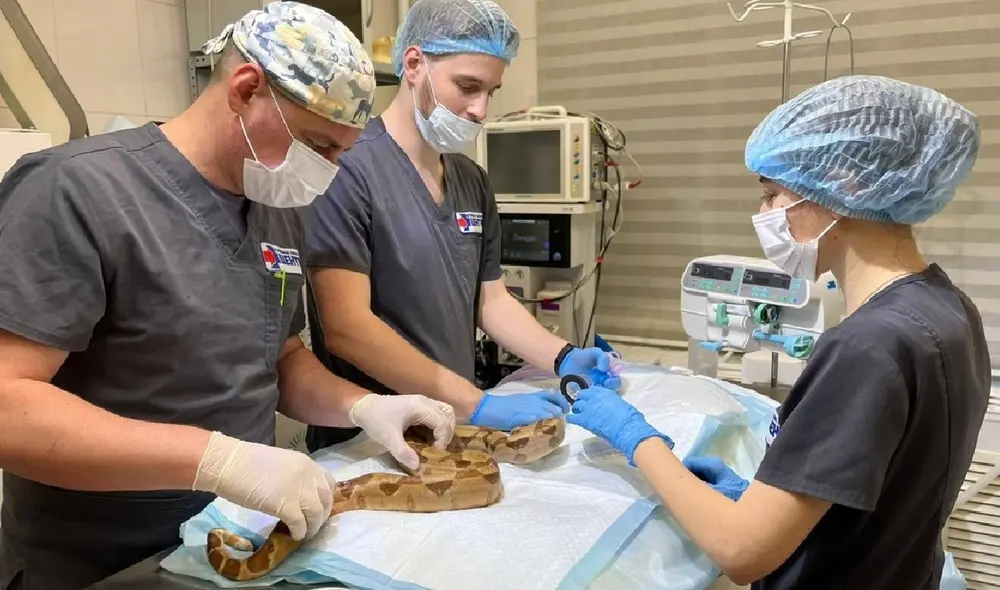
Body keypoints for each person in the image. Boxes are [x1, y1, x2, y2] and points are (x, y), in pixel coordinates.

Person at [0, 3, 457, 588]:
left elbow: (281, 358)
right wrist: (221, 461)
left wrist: (362, 406)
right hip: (105, 561)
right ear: (245, 90)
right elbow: (9, 406)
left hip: (241, 542)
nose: (330, 171)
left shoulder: (272, 205)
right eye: (320, 146)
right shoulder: (75, 191)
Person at [563, 75, 988, 589]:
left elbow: (740, 553)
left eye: (772, 195)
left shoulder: (867, 348)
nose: (763, 214)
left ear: (843, 186)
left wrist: (636, 437)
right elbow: (890, 485)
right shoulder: (949, 307)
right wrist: (764, 497)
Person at [301, 0, 619, 452]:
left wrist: (562, 356)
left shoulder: (471, 180)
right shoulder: (348, 170)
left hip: (451, 426)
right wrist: (476, 403)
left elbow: (490, 300)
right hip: (365, 442)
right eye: (467, 86)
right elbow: (347, 328)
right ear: (414, 65)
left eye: (491, 91)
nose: (480, 109)